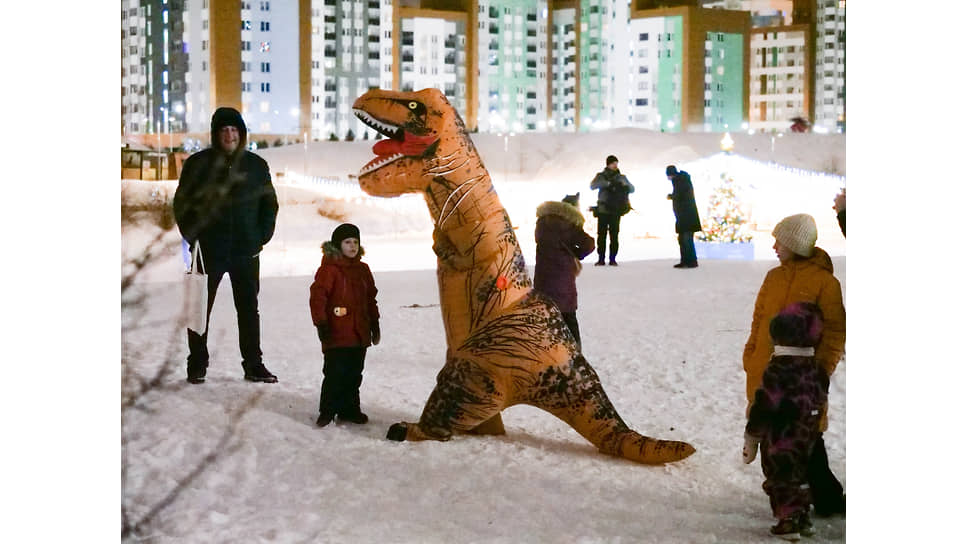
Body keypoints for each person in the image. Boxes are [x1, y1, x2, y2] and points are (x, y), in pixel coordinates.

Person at [743, 213, 847, 519]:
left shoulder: (824, 283)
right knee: (770, 434)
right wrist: (750, 355)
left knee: (808, 438)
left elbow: (835, 332)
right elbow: (759, 320)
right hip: (766, 371)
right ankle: (787, 496)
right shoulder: (773, 278)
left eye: (780, 240)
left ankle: (823, 498)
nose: (774, 246)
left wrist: (821, 369)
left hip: (804, 378)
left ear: (795, 244)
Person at [172, 107, 279, 384]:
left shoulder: (256, 166)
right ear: (216, 134)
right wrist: (194, 237)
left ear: (241, 134)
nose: (229, 135)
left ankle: (253, 364)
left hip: (246, 250)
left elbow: (269, 204)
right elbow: (182, 204)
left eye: (234, 130)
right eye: (224, 130)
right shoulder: (198, 164)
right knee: (199, 309)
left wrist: (261, 236)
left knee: (248, 310)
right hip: (208, 252)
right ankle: (197, 364)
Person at [743, 302, 829, 540]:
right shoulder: (816, 369)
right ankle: (802, 516)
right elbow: (820, 397)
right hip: (807, 434)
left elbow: (766, 403)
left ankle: (788, 520)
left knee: (781, 476)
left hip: (780, 436)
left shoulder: (779, 369)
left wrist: (752, 434)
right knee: (800, 474)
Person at [309, 223, 381, 427]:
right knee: (335, 373)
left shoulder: (363, 269)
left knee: (354, 374)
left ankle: (349, 409)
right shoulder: (329, 270)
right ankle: (328, 410)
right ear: (337, 245)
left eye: (355, 242)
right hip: (337, 332)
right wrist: (321, 323)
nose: (352, 246)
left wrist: (375, 323)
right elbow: (318, 297)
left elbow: (370, 298)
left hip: (359, 333)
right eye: (347, 242)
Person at [534, 193, 596, 349]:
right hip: (563, 279)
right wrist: (576, 255)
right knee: (568, 316)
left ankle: (547, 351)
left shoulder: (541, 223)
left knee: (547, 316)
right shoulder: (569, 224)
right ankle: (575, 352)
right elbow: (589, 244)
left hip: (542, 278)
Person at [589, 155, 634, 266]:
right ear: (608, 164)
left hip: (616, 210)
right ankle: (601, 258)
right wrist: (607, 184)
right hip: (603, 210)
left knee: (614, 235)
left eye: (616, 163)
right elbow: (592, 186)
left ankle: (612, 259)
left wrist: (623, 184)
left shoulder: (622, 177)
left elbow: (632, 189)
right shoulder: (601, 176)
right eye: (613, 163)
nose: (615, 165)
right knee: (602, 235)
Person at [665, 165, 701, 269]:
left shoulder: (680, 182)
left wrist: (671, 196)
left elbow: (681, 196)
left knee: (685, 239)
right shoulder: (682, 180)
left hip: (685, 216)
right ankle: (688, 261)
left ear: (671, 174)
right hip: (685, 215)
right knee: (685, 239)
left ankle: (688, 261)